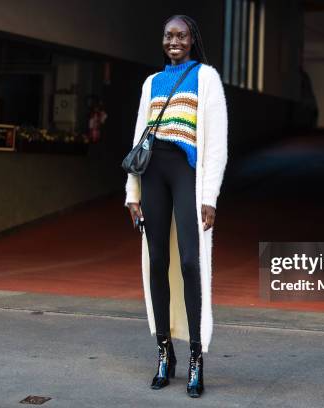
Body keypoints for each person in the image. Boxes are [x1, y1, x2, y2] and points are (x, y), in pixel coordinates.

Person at [124, 14, 228, 398]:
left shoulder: (207, 78)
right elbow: (139, 139)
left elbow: (216, 144)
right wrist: (132, 194)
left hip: (186, 174)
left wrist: (210, 197)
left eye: (181, 35)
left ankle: (196, 356)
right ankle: (164, 352)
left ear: (192, 39)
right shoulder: (151, 83)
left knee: (189, 261)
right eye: (168, 35)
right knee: (157, 261)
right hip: (152, 173)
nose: (174, 41)